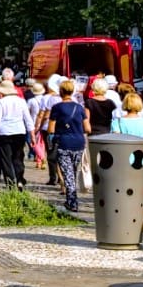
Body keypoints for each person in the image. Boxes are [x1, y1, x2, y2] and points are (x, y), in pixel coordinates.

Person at [48, 79, 90, 212]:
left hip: (64, 142)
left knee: (68, 173)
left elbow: (51, 129)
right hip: (79, 143)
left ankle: (72, 201)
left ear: (60, 92)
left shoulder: (57, 108)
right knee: (73, 171)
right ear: (72, 92)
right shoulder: (80, 108)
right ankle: (71, 200)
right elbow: (87, 128)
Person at [0, 79, 34, 188]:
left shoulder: (1, 102)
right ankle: (19, 179)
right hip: (19, 131)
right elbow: (28, 119)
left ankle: (10, 182)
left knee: (6, 158)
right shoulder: (22, 101)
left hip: (4, 133)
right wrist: (32, 134)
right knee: (18, 156)